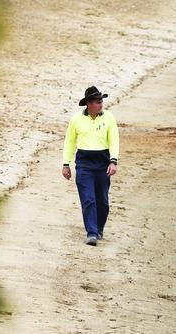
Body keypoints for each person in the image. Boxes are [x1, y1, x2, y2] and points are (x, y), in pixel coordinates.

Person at [62, 86, 119, 246]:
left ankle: (99, 228)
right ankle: (91, 232)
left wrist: (113, 161)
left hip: (103, 163)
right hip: (84, 164)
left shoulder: (109, 118)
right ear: (88, 104)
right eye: (97, 102)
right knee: (88, 199)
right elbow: (70, 142)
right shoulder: (76, 119)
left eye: (101, 101)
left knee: (103, 201)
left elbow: (114, 140)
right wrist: (66, 164)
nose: (101, 105)